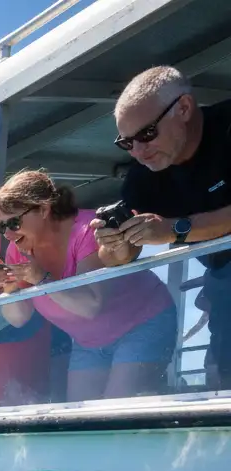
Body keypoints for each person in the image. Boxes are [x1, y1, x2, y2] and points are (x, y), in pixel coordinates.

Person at [93, 65, 231, 388]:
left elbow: (172, 230)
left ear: (184, 108)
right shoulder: (145, 175)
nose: (139, 152)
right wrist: (117, 244)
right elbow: (114, 257)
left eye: (147, 134)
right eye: (126, 144)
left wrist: (176, 230)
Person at [0, 169, 176, 400]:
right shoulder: (18, 249)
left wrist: (42, 279)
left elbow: (91, 306)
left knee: (117, 411)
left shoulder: (86, 231)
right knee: (84, 420)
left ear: (44, 209)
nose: (7, 234)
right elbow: (19, 319)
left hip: (143, 323)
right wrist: (8, 287)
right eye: (0, 227)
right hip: (88, 341)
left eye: (14, 223)